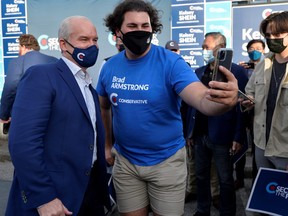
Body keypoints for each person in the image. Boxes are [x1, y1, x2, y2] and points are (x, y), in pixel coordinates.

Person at [97, 1, 238, 216]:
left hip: (166, 162)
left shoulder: (172, 62)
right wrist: (107, 145)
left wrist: (221, 102)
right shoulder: (110, 67)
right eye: (132, 26)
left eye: (145, 26)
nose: (140, 31)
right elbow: (103, 107)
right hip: (126, 163)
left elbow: (200, 98)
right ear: (118, 31)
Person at [5, 16, 110, 216]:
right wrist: (43, 197)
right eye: (84, 39)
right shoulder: (41, 76)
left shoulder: (90, 89)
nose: (92, 46)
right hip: (53, 200)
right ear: (63, 44)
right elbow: (23, 142)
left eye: (95, 40)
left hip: (89, 196)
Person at [189, 32, 248, 216]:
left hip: (223, 136)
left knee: (225, 178)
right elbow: (191, 105)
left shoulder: (236, 72)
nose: (203, 50)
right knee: (201, 176)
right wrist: (189, 133)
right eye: (203, 47)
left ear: (220, 49)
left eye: (207, 47)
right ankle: (202, 210)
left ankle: (227, 212)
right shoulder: (199, 71)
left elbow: (241, 106)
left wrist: (238, 136)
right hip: (200, 135)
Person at [244, 11, 288, 175]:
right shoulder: (263, 65)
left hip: (285, 151)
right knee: (266, 195)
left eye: (277, 34)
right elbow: (250, 92)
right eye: (268, 35)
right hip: (262, 145)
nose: (271, 38)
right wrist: (248, 100)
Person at [0, 34, 58, 134]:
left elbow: (10, 89)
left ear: (23, 46)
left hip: (26, 118)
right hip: (53, 116)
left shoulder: (17, 62)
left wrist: (4, 115)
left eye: (18, 47)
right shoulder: (54, 60)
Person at [235, 39, 266, 189]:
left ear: (264, 50)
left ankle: (257, 183)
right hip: (244, 113)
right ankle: (239, 178)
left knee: (258, 151)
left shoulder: (267, 67)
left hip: (259, 116)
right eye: (252, 48)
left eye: (258, 48)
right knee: (240, 145)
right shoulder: (243, 68)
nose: (255, 51)